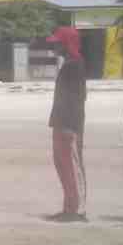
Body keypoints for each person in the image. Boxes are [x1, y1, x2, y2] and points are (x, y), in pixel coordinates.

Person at [45, 26, 89, 223]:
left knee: (73, 165)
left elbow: (78, 98)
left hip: (70, 124)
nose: (54, 45)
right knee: (63, 165)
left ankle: (78, 210)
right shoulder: (69, 64)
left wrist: (70, 126)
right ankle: (69, 206)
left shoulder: (75, 65)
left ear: (67, 44)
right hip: (61, 122)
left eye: (58, 43)